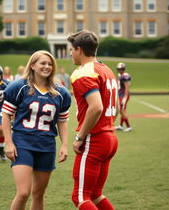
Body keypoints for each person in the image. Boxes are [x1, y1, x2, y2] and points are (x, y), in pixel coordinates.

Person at [2, 50, 71, 210]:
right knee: (23, 192)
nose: (47, 67)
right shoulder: (19, 87)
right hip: (23, 144)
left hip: (46, 146)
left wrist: (64, 145)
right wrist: (9, 143)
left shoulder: (61, 92)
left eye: (49, 64)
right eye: (43, 63)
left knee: (38, 194)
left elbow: (62, 121)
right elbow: (6, 116)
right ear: (32, 65)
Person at [67, 30, 118, 210]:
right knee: (95, 194)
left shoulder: (83, 72)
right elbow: (116, 108)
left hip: (94, 139)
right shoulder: (107, 70)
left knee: (80, 197)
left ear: (79, 49)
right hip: (109, 137)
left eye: (71, 49)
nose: (70, 53)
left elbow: (96, 107)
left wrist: (80, 136)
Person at [115, 62, 132, 132]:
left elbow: (127, 87)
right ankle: (121, 125)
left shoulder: (125, 76)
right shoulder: (120, 75)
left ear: (123, 69)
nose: (120, 70)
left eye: (121, 69)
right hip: (120, 95)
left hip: (123, 95)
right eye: (118, 69)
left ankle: (128, 126)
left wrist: (125, 97)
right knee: (122, 110)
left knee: (121, 110)